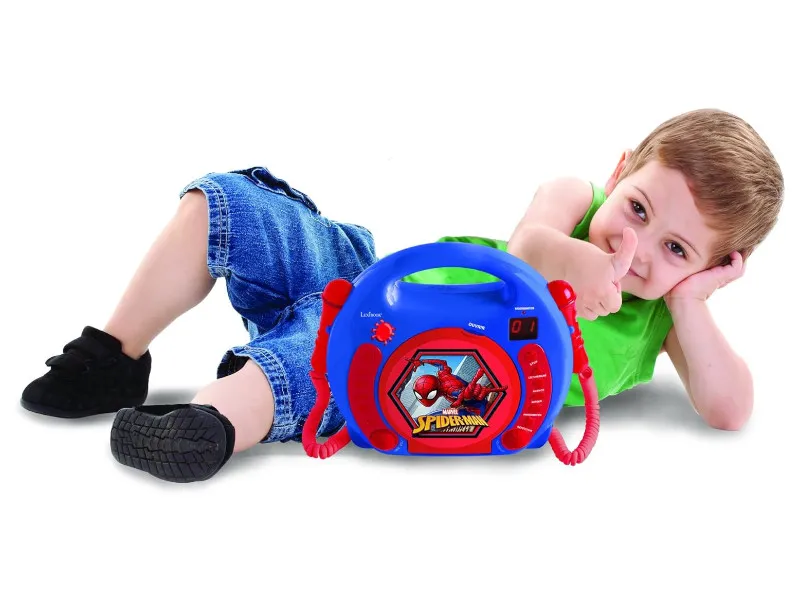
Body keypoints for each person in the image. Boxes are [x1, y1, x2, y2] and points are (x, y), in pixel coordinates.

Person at [20, 108, 784, 483]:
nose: (635, 248)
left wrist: (691, 301)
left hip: (398, 358)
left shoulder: (662, 315)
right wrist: (573, 258)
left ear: (712, 266)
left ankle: (209, 426)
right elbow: (527, 248)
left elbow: (729, 408)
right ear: (620, 171)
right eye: (639, 208)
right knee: (232, 206)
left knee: (317, 355)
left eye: (676, 250)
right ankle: (114, 354)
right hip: (375, 280)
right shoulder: (576, 199)